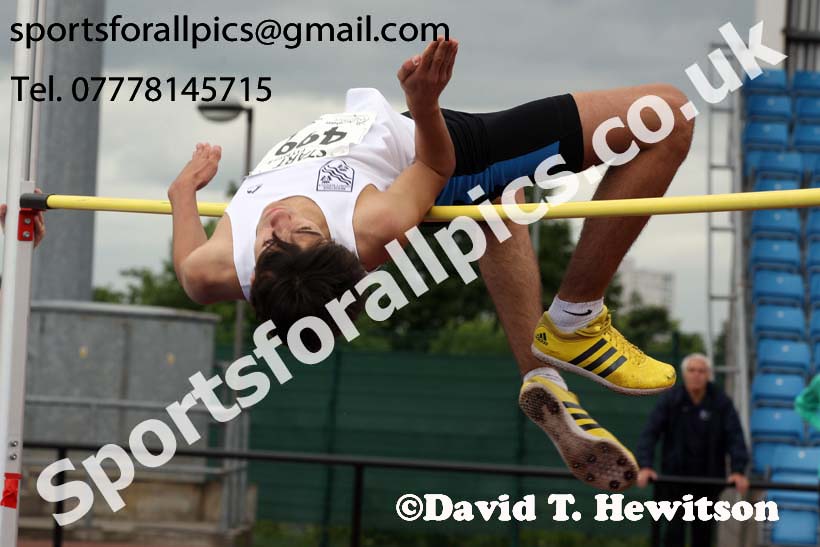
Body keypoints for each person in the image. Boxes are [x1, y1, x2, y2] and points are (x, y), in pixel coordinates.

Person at [166, 36, 694, 491]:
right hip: (436, 153)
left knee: (496, 210)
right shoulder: (373, 225)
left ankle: (542, 377)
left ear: (254, 273)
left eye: (270, 240)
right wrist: (424, 105)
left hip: (396, 155)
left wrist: (184, 190)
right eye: (301, 232)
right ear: (337, 246)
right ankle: (577, 318)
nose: (277, 220)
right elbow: (435, 164)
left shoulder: (212, 268)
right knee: (668, 116)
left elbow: (187, 265)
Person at [636, 353, 749, 547]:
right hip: (674, 481)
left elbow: (735, 436)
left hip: (708, 482)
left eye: (701, 371)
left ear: (709, 375)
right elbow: (650, 433)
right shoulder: (671, 400)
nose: (696, 375)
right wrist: (645, 466)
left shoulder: (721, 402)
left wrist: (738, 471)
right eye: (692, 370)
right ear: (684, 374)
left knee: (703, 536)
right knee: (673, 534)